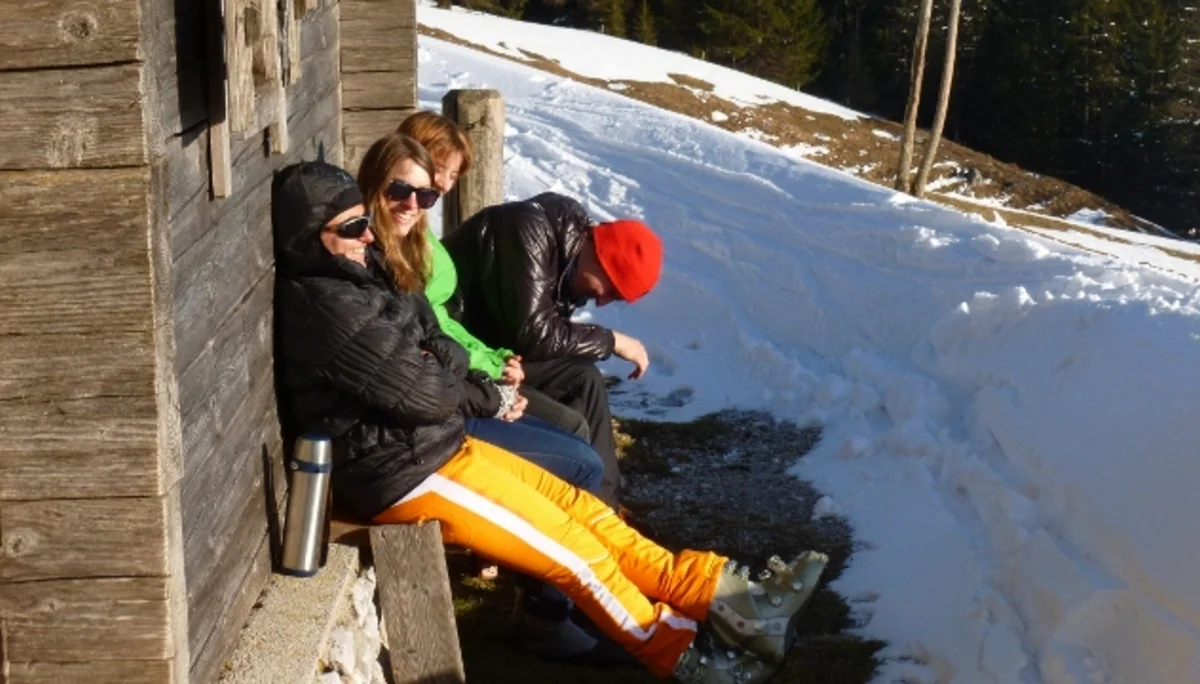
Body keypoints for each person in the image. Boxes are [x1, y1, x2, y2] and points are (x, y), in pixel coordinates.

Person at [271, 160, 828, 683]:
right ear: (309, 236)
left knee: (585, 512)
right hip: (400, 472)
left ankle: (734, 600)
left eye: (365, 222)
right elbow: (424, 393)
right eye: (352, 227)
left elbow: (436, 339)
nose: (369, 236)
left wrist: (441, 360)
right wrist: (457, 376)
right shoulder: (325, 305)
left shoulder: (354, 278)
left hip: (434, 448)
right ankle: (687, 657)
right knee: (574, 556)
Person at [356, 132, 615, 662]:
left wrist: (493, 371)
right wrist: (490, 395)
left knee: (576, 433)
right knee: (577, 457)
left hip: (442, 414)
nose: (420, 202)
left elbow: (438, 334)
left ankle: (590, 575)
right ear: (372, 187)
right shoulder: (372, 261)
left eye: (430, 194)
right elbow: (412, 373)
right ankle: (552, 611)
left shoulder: (406, 252)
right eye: (402, 191)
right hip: (416, 445)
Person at [442, 190, 662, 507]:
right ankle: (576, 512)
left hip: (496, 351)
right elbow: (532, 334)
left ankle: (605, 507)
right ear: (602, 258)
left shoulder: (569, 260)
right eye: (610, 291)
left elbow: (537, 340)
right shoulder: (527, 230)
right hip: (462, 355)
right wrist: (611, 341)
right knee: (569, 425)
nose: (601, 301)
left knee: (585, 379)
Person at [396, 110, 593, 444]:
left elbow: (440, 319)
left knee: (583, 386)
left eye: (453, 175)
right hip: (445, 387)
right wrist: (491, 370)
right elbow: (428, 325)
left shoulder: (418, 234)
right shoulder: (401, 238)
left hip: (462, 369)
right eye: (439, 169)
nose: (444, 183)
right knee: (570, 430)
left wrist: (495, 358)